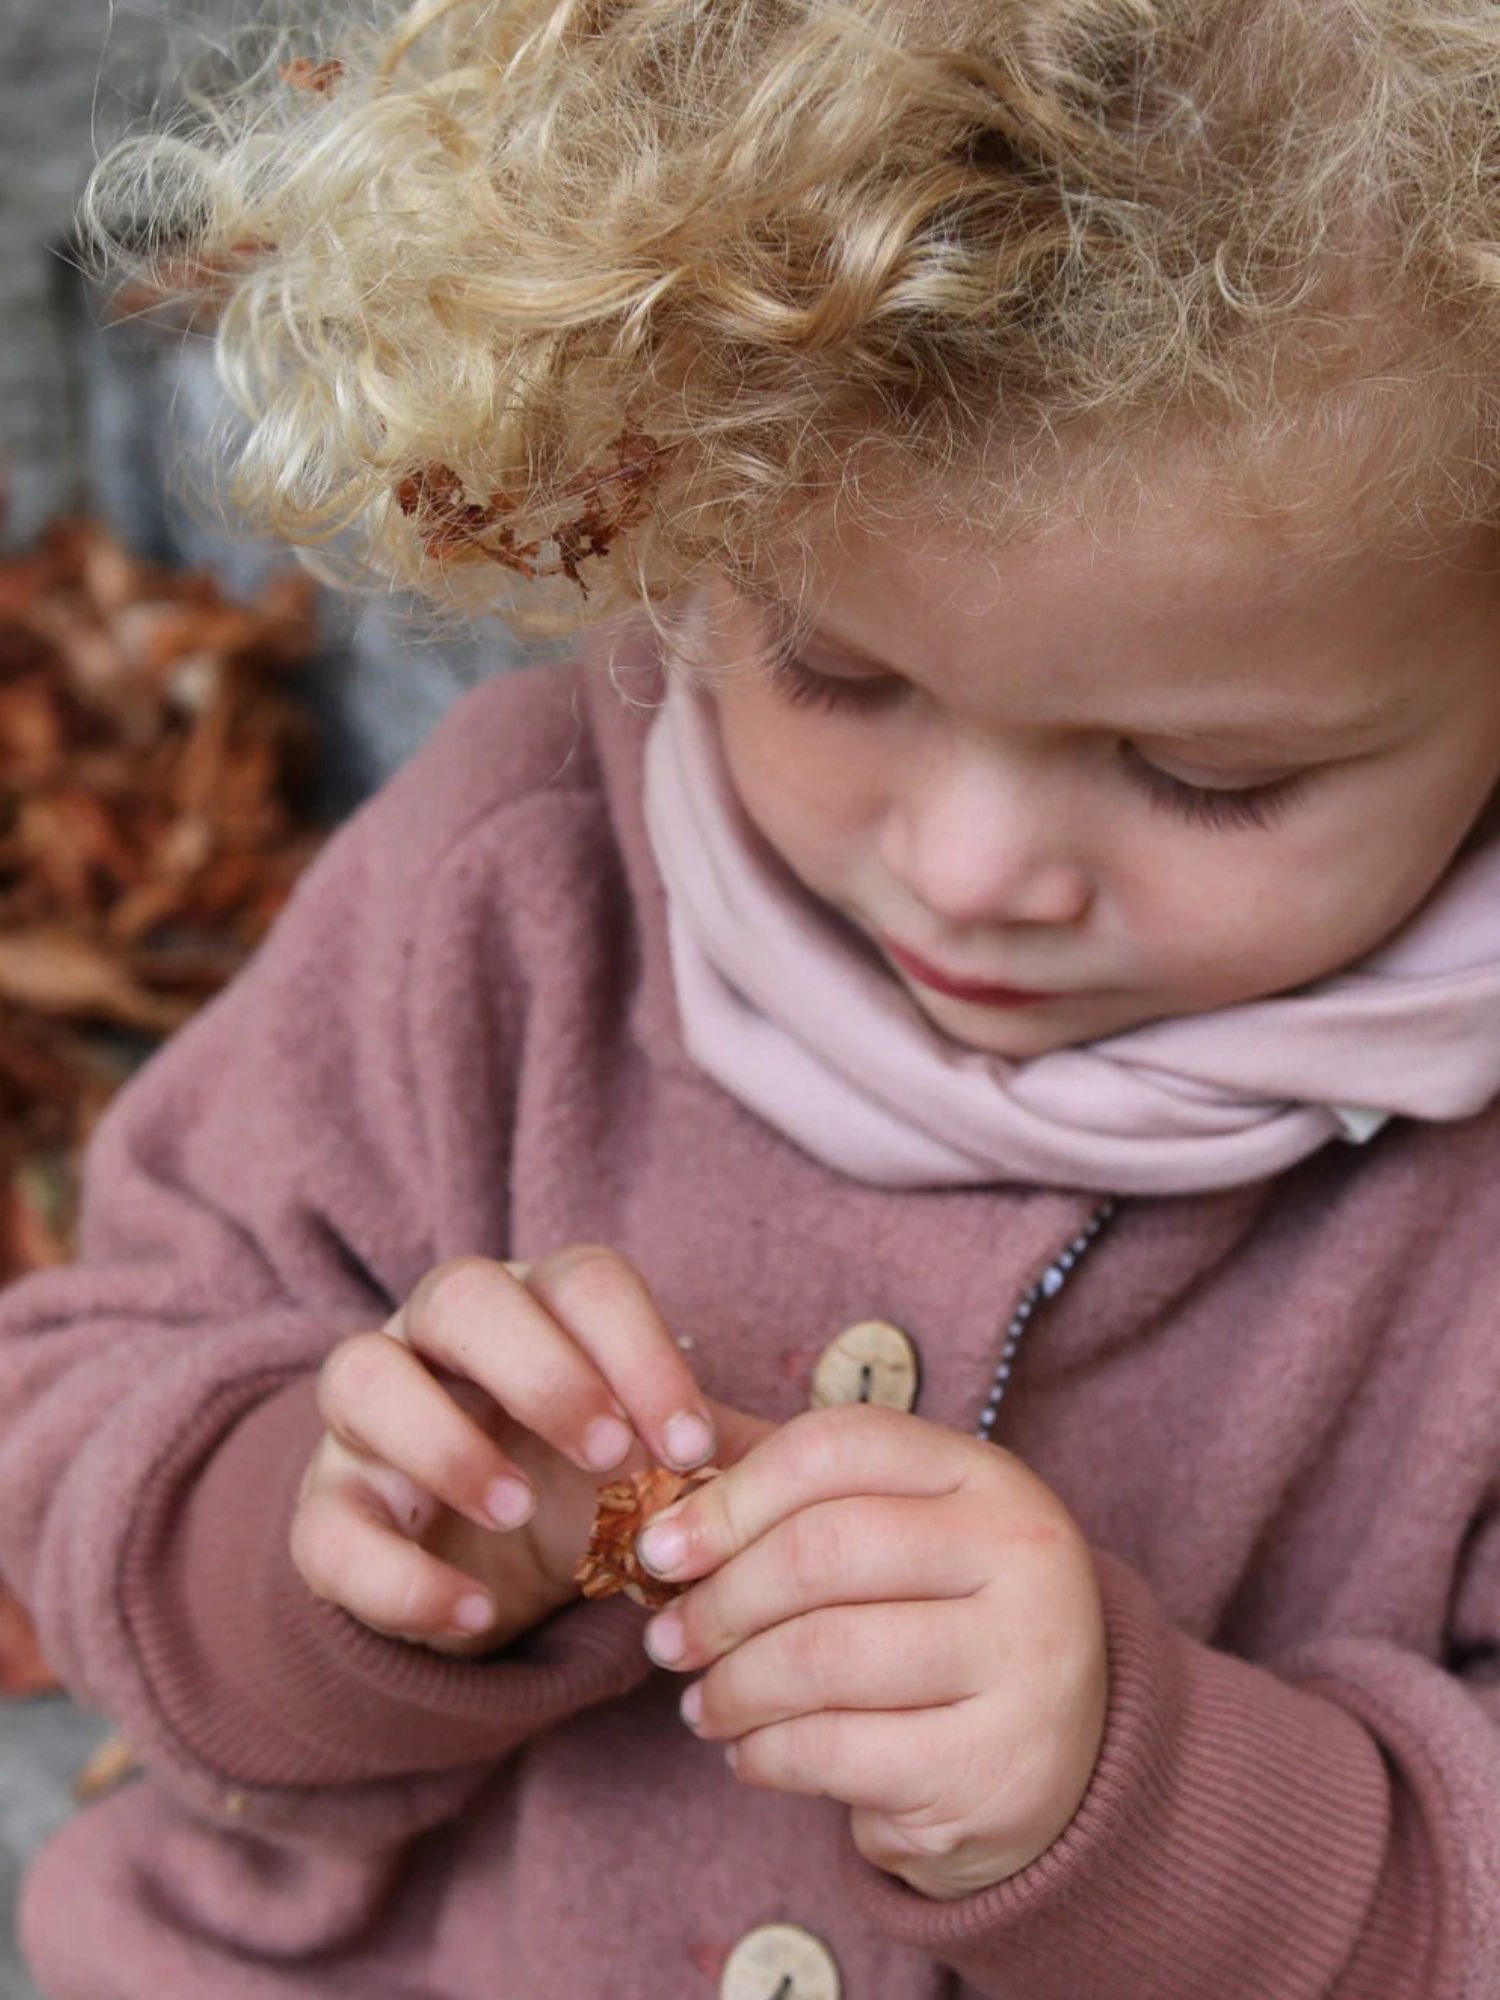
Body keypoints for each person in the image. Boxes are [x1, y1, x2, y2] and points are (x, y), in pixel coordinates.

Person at [5, 0, 1500, 1992]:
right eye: (832, 671)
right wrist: (345, 1533)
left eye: (1204, 775)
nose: (967, 872)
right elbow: (86, 1421)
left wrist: (1133, 1796)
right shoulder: (515, 883)